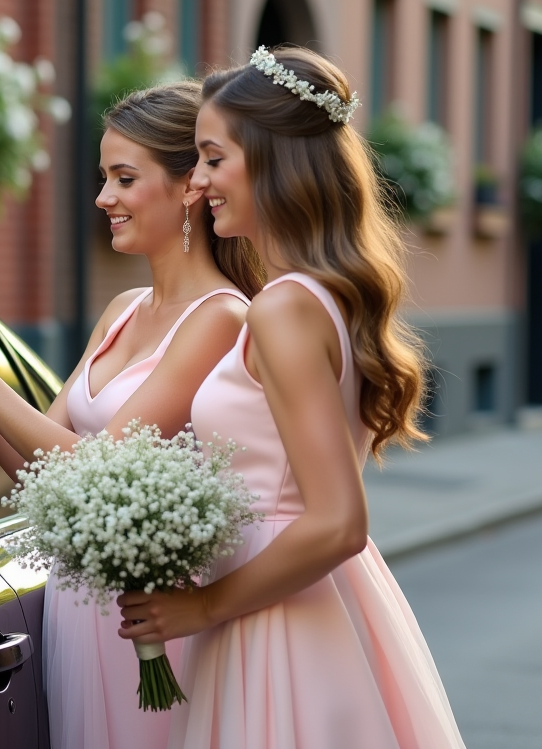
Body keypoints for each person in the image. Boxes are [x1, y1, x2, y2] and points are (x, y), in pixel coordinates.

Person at [0, 80, 265, 749]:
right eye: (103, 176)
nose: (103, 198)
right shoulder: (122, 312)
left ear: (190, 187)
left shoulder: (221, 318)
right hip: (81, 605)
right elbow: (37, 465)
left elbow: (100, 468)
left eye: (123, 177)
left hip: (151, 619)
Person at [115, 47, 466, 749]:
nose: (201, 182)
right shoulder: (322, 296)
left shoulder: (283, 309)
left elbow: (338, 521)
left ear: (272, 160)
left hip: (272, 620)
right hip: (297, 602)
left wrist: (201, 605)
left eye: (214, 159)